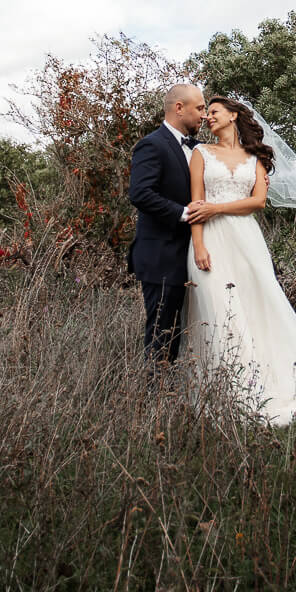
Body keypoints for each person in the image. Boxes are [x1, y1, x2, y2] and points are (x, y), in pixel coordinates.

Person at [182, 96, 296, 425]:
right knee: (218, 309)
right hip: (211, 243)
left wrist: (217, 208)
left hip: (247, 241)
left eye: (214, 113)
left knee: (256, 305)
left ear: (233, 116)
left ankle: (266, 385)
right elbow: (196, 204)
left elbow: (258, 201)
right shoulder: (200, 153)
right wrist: (199, 245)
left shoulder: (255, 157)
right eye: (208, 115)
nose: (209, 119)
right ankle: (224, 394)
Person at [127, 82, 206, 378]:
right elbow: (140, 194)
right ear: (179, 108)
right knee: (163, 334)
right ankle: (155, 403)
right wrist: (184, 213)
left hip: (196, 255)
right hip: (162, 255)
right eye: (199, 108)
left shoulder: (200, 149)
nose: (204, 115)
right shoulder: (152, 144)